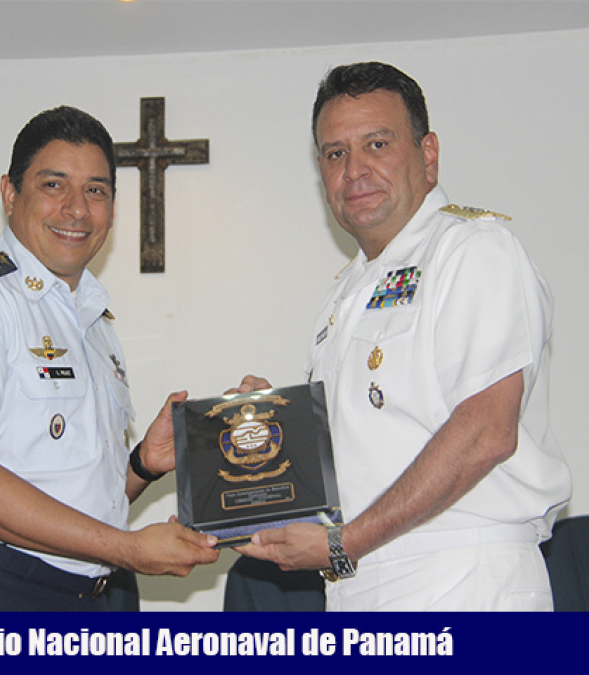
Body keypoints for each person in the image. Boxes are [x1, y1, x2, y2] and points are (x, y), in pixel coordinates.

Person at [234, 62, 571, 611]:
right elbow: (369, 453)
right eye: (335, 153)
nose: (355, 170)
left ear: (428, 155)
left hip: (463, 577)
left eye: (377, 144)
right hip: (360, 581)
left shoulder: (472, 251)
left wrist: (346, 545)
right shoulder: (348, 292)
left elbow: (486, 431)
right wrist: (270, 430)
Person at [0, 105, 219, 611]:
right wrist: (130, 548)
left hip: (84, 597)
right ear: (10, 193)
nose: (76, 209)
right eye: (53, 185)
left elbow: (73, 495)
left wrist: (143, 465)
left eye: (95, 190)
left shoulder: (92, 321)